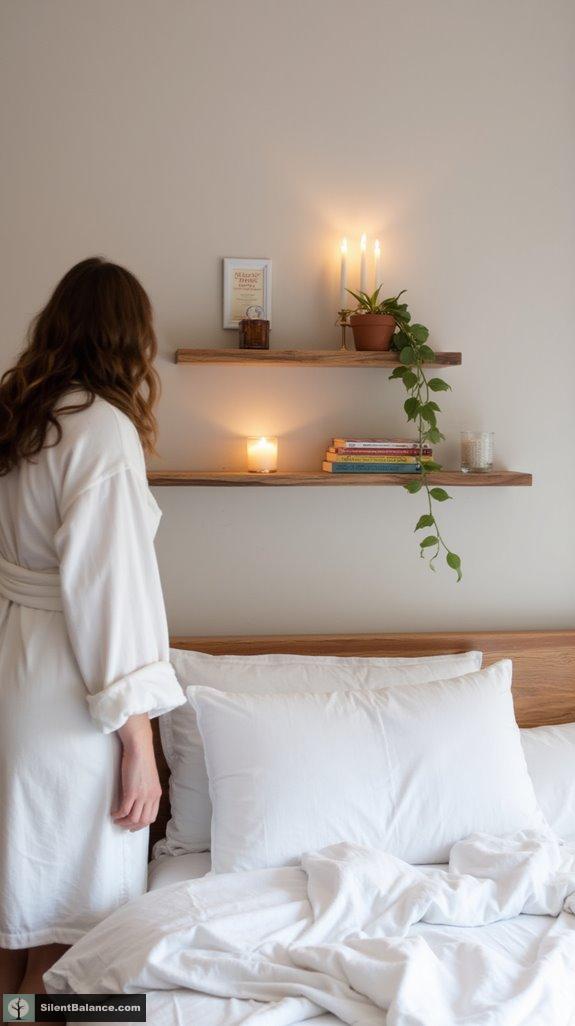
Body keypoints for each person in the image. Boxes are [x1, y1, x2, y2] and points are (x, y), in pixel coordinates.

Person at [0, 258, 185, 1000]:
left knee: (25, 922)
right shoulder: (101, 431)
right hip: (74, 699)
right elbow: (109, 595)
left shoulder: (21, 415)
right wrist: (137, 739)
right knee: (78, 930)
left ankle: (14, 1019)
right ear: (128, 339)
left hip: (19, 671)